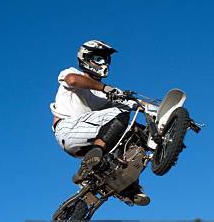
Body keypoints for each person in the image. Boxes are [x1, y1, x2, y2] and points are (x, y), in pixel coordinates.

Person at [50, 40, 150, 206]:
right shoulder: (73, 73)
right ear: (86, 59)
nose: (104, 63)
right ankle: (95, 154)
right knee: (121, 114)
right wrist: (104, 88)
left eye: (106, 60)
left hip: (85, 139)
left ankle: (126, 187)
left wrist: (166, 112)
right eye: (99, 59)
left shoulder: (108, 95)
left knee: (134, 133)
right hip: (67, 129)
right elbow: (72, 80)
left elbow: (136, 103)